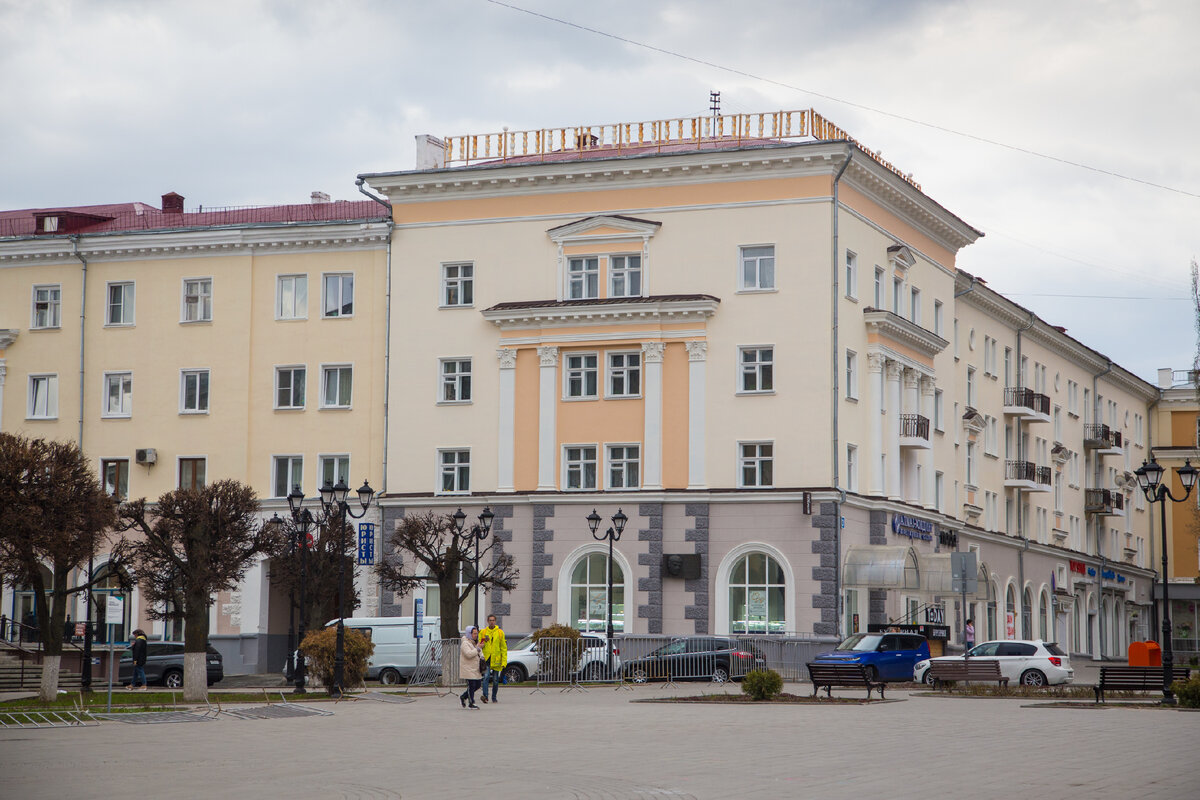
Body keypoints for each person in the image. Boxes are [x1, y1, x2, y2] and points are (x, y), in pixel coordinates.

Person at [479, 614, 507, 704]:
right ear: (487, 621)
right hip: (486, 658)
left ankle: (494, 697)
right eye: (490, 620)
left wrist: (504, 661)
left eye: (493, 620)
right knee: (486, 677)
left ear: (495, 621)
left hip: (496, 659)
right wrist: (484, 641)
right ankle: (485, 697)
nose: (492, 622)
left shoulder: (500, 632)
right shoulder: (483, 632)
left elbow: (503, 647)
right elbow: (479, 644)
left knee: (495, 680)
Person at [459, 626, 482, 709]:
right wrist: (478, 649)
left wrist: (482, 657)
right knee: (471, 685)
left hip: (475, 668)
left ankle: (463, 696)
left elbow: (479, 652)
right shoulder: (465, 643)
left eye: (477, 633)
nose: (476, 635)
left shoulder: (475, 642)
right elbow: (468, 654)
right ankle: (471, 702)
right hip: (468, 668)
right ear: (469, 634)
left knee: (478, 684)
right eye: (474, 633)